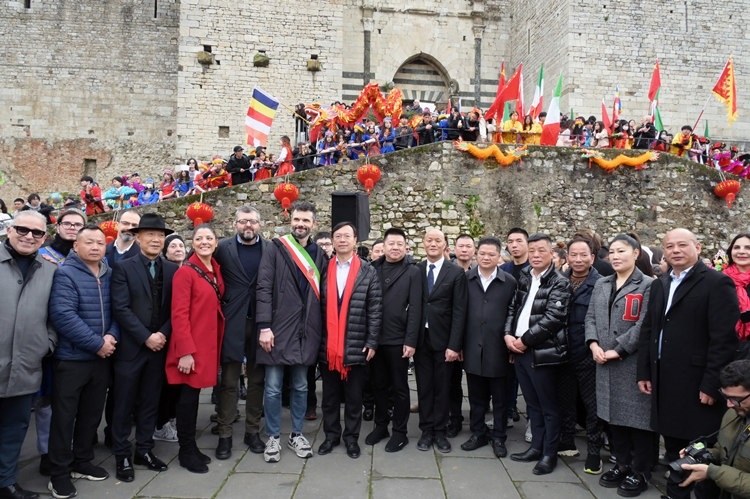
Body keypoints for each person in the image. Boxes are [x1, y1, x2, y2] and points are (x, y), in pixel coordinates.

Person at [637, 228, 740, 499]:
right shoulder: (660, 284)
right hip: (665, 379)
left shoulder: (717, 283)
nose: (675, 250)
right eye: (669, 246)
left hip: (697, 383)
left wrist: (712, 383)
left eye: (682, 245)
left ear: (698, 247)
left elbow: (724, 339)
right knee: (673, 448)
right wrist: (644, 371)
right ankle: (675, 494)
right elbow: (649, 329)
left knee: (701, 451)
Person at [48, 225, 119, 499]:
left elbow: (118, 309)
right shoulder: (65, 273)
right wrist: (97, 343)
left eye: (100, 242)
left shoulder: (109, 273)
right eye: (89, 242)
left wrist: (112, 335)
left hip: (102, 358)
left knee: (91, 414)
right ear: (75, 246)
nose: (95, 247)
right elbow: (63, 315)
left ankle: (82, 460)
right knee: (64, 418)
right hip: (72, 358)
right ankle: (59, 473)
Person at [256, 201, 327, 463]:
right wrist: (264, 326)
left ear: (314, 224)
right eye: (297, 219)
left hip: (306, 331)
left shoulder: (319, 255)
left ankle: (297, 434)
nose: (300, 224)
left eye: (306, 220)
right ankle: (273, 436)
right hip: (277, 329)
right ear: (291, 220)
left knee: (301, 385)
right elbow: (263, 288)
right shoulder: (275, 248)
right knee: (273, 388)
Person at [110, 214, 177, 482]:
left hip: (159, 347)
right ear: (138, 238)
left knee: (151, 401)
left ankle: (144, 450)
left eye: (160, 235)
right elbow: (121, 308)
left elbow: (176, 309)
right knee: (123, 403)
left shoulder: (172, 270)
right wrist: (146, 336)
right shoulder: (123, 268)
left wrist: (162, 334)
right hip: (132, 348)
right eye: (150, 234)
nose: (156, 239)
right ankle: (122, 454)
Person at [585, 234, 654, 497]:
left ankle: (641, 470)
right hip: (603, 361)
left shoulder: (647, 285)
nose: (615, 256)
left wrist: (618, 349)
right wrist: (593, 344)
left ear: (636, 254)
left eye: (621, 251)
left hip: (631, 363)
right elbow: (591, 317)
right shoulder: (602, 283)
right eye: (612, 251)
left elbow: (644, 324)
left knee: (638, 420)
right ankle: (622, 463)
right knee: (613, 417)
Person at [0, 211, 57, 499]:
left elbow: (56, 315)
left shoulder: (50, 270)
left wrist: (46, 343)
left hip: (26, 364)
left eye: (37, 233)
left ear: (44, 238)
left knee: (15, 428)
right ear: (10, 229)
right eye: (23, 229)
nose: (29, 236)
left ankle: (6, 482)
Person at [505, 233, 571, 475]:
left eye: (541, 250)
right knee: (532, 404)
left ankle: (549, 454)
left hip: (544, 352)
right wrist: (507, 335)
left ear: (551, 253)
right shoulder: (524, 276)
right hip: (519, 349)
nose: (535, 255)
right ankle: (536, 447)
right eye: (532, 250)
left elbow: (553, 319)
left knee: (548, 407)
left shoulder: (560, 282)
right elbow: (513, 308)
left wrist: (524, 341)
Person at [318, 222, 382, 459]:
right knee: (330, 397)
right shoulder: (323, 268)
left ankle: (351, 438)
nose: (342, 240)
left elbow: (375, 308)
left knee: (354, 398)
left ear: (355, 240)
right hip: (328, 345)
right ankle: (331, 435)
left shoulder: (368, 271)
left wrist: (372, 341)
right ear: (333, 241)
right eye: (338, 236)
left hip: (356, 343)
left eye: (347, 236)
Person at [165, 224, 225, 474]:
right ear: (192, 242)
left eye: (209, 238)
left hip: (206, 343)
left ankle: (191, 447)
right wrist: (185, 352)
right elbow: (178, 314)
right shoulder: (185, 273)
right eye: (199, 238)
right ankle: (186, 450)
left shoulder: (214, 269)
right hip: (190, 346)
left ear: (216, 242)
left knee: (194, 397)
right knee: (187, 400)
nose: (204, 242)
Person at [213, 206, 269, 458]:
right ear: (234, 223)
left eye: (253, 221)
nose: (248, 225)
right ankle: (224, 434)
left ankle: (252, 431)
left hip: (261, 322)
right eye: (244, 221)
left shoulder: (271, 249)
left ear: (260, 225)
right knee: (229, 381)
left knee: (257, 380)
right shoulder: (222, 248)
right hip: (232, 321)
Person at [367, 228, 422, 452]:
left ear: (406, 247)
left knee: (400, 387)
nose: (395, 248)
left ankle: (400, 432)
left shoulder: (413, 271)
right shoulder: (373, 268)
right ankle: (381, 425)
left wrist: (411, 340)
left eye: (400, 244)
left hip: (399, 339)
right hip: (375, 338)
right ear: (384, 246)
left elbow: (416, 309)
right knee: (378, 385)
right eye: (391, 243)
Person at [460, 237, 516, 458]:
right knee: (476, 397)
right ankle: (478, 432)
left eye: (491, 254)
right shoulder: (466, 279)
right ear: (476, 254)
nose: (485, 257)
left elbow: (514, 313)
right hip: (472, 346)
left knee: (500, 398)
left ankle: (499, 436)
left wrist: (511, 345)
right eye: (482, 253)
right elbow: (459, 314)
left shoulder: (509, 282)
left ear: (499, 256)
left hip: (499, 348)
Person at [415, 228, 468, 453]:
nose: (433, 244)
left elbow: (460, 311)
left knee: (443, 387)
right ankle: (426, 429)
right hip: (421, 339)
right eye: (429, 240)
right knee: (424, 386)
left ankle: (440, 430)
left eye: (438, 240)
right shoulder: (416, 270)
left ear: (445, 244)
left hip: (444, 340)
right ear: (423, 243)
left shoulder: (455, 272)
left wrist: (454, 345)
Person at [557, 237, 603, 473]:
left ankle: (594, 451)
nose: (578, 259)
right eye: (573, 255)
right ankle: (566, 441)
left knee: (592, 405)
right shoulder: (559, 280)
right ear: (567, 257)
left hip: (588, 353)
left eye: (583, 255)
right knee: (565, 400)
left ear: (592, 258)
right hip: (563, 352)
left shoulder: (602, 284)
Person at [678, 359, 750, 497]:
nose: (729, 405)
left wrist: (713, 473)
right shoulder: (734, 413)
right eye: (725, 396)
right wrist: (702, 455)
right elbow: (723, 450)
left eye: (736, 399)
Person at [499, 227, 529, 427]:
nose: (514, 245)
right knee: (506, 377)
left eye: (519, 241)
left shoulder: (534, 269)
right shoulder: (504, 269)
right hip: (506, 331)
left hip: (528, 333)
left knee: (529, 381)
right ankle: (508, 412)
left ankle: (532, 421)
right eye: (510, 242)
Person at [723, 233, 750, 354]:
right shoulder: (719, 280)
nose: (741, 251)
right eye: (737, 247)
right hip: (727, 348)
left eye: (748, 248)